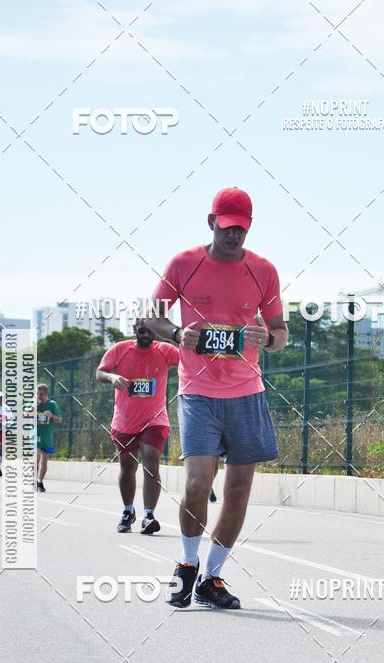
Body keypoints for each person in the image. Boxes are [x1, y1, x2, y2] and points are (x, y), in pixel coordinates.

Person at [149, 186, 288, 609]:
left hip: (247, 393)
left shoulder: (263, 270)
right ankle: (187, 565)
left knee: (240, 490)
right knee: (196, 485)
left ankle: (213, 577)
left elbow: (281, 335)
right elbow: (150, 318)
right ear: (211, 222)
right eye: (227, 228)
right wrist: (176, 334)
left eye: (241, 230)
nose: (234, 237)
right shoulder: (184, 264)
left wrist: (268, 338)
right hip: (199, 393)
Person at [96, 319, 179, 534]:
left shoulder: (165, 351)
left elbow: (188, 361)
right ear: (135, 330)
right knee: (128, 466)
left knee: (151, 460)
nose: (146, 336)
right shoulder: (120, 350)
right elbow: (100, 372)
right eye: (142, 331)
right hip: (125, 420)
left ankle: (149, 515)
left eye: (151, 332)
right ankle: (128, 510)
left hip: (155, 418)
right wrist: (112, 377)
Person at [36, 383, 62, 492]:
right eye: (37, 394)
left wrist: (52, 416)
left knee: (44, 461)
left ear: (46, 394)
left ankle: (40, 482)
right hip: (35, 436)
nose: (39, 396)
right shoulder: (33, 403)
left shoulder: (52, 404)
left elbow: (59, 420)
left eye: (41, 394)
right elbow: (23, 415)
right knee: (35, 458)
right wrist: (34, 407)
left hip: (47, 437)